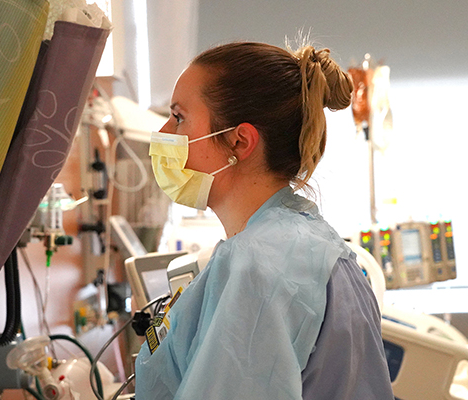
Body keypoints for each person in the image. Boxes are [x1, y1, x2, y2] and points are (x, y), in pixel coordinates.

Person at [136, 41, 394, 399]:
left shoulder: (257, 268)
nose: (164, 132)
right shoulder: (312, 248)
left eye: (179, 117)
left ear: (240, 142)